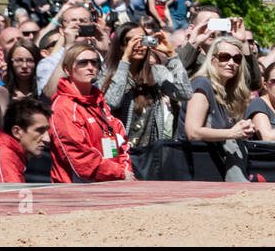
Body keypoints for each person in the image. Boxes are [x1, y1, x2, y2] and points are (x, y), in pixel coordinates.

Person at [49, 43, 134, 181]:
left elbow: (120, 141)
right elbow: (80, 158)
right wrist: (120, 173)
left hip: (112, 184)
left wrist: (125, 171)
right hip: (77, 190)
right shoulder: (63, 107)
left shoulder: (99, 102)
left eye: (94, 62)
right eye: (83, 63)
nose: (90, 67)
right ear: (67, 70)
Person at [103, 23, 191, 150]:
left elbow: (185, 93)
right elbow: (112, 103)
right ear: (120, 45)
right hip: (116, 151)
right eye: (131, 40)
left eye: (142, 40)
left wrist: (171, 55)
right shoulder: (105, 74)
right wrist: (125, 59)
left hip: (149, 155)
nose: (138, 45)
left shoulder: (157, 72)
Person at [181, 36, 254, 180]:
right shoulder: (202, 84)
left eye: (237, 59)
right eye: (225, 57)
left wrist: (243, 129)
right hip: (196, 170)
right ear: (212, 60)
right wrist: (232, 133)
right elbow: (193, 132)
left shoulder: (227, 93)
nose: (231, 63)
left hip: (214, 169)